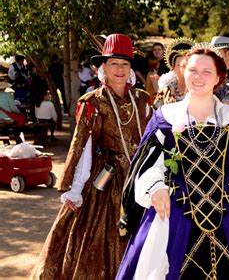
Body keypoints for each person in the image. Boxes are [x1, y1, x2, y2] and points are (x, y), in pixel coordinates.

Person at [116, 46, 229, 280]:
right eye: (193, 70)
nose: (198, 77)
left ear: (219, 77)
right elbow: (149, 164)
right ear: (183, 72)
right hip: (175, 210)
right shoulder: (164, 117)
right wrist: (156, 187)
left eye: (207, 71)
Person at [31, 34, 151, 279]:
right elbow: (82, 147)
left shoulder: (142, 100)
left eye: (125, 63)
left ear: (131, 68)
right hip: (107, 181)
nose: (120, 69)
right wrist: (75, 188)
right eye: (114, 63)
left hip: (141, 178)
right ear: (103, 67)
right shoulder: (93, 102)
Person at [153, 37, 195, 108]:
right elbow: (156, 113)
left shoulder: (199, 87)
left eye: (187, 64)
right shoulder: (166, 89)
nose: (183, 67)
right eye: (179, 65)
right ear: (173, 68)